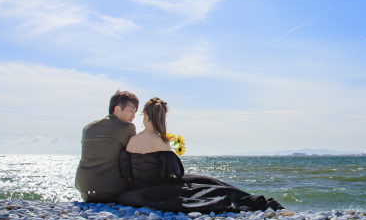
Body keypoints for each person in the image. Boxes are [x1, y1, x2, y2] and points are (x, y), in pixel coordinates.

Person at [117, 97, 284, 213]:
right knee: (209, 185)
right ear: (163, 118)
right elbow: (173, 174)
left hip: (135, 191)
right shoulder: (161, 141)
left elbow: (127, 172)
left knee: (203, 181)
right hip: (159, 189)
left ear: (145, 115)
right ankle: (254, 201)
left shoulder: (132, 140)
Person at [74, 90, 139, 203]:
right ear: (117, 109)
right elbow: (137, 153)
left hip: (84, 191)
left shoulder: (88, 127)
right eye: (131, 111)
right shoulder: (126, 127)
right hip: (111, 191)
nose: (133, 115)